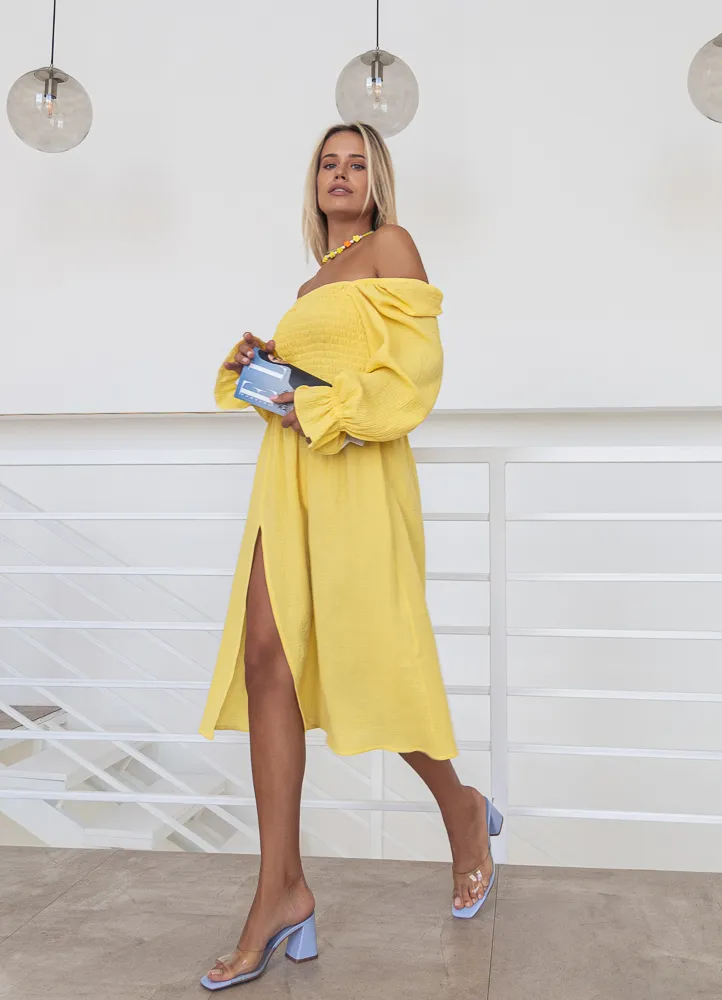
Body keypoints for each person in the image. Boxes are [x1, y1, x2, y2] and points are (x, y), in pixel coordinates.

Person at [198, 121, 502, 991]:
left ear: (377, 181)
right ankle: (281, 890)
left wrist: (323, 408)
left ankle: (462, 809)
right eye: (328, 163)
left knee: (373, 663)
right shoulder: (310, 283)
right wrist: (267, 368)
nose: (340, 173)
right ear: (314, 183)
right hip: (290, 481)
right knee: (267, 660)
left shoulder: (391, 247)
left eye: (356, 163)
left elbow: (414, 373)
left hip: (359, 480)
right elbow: (313, 386)